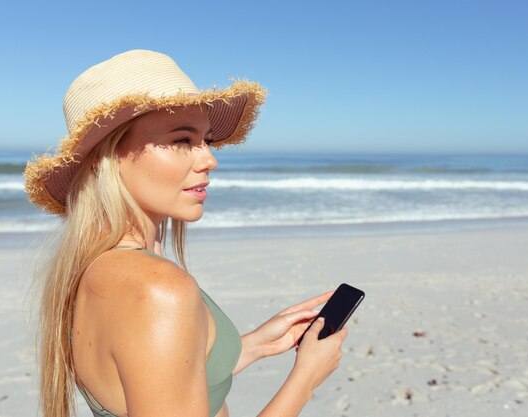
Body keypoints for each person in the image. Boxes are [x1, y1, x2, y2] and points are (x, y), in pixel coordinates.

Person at [24, 49, 348, 417]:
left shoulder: (96, 269)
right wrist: (305, 379)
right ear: (107, 158)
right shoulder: (158, 289)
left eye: (206, 140)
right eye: (182, 141)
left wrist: (253, 346)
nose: (210, 159)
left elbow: (157, 381)